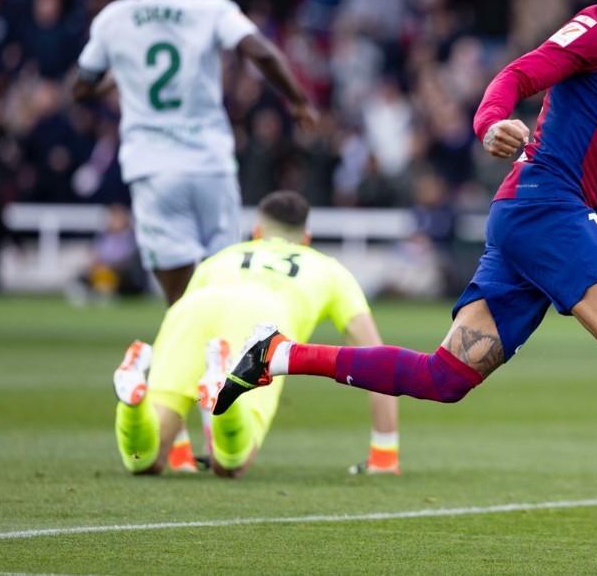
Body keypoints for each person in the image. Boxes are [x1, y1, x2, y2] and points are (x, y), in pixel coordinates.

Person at [217, 0, 597, 555]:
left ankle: (276, 354)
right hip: (543, 205)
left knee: (445, 376)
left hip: (542, 222)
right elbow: (519, 74)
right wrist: (490, 123)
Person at [71, 0, 317, 306]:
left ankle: (189, 349)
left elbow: (81, 86)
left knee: (177, 295)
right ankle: (226, 355)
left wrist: (114, 80)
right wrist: (298, 100)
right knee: (225, 277)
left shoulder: (114, 18)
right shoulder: (211, 9)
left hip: (152, 165)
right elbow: (261, 53)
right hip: (209, 161)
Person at [113, 191, 400, 477]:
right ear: (307, 238)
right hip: (261, 316)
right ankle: (220, 391)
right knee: (232, 462)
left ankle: (133, 406)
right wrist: (384, 454)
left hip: (192, 309)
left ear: (256, 233)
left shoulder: (220, 258)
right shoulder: (329, 269)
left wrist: (178, 450)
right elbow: (375, 359)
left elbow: (179, 327)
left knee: (145, 459)